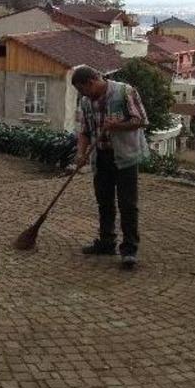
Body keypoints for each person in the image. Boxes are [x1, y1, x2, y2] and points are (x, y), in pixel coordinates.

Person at [72, 66, 149, 268]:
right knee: (104, 202)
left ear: (92, 81)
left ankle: (129, 250)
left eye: (83, 90)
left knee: (128, 205)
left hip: (125, 157)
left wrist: (117, 126)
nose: (82, 95)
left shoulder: (124, 92)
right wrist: (81, 154)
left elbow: (141, 120)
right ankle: (107, 242)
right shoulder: (86, 102)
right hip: (102, 157)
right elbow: (85, 131)